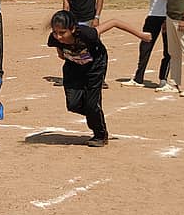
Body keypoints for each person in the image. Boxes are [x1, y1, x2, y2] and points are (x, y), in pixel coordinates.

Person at [47, 10, 151, 147]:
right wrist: (64, 53)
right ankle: (94, 111)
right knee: (73, 104)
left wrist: (141, 35)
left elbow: (114, 22)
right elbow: (60, 52)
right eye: (56, 32)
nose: (58, 36)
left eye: (62, 33)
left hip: (95, 66)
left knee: (91, 104)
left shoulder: (87, 33)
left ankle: (100, 135)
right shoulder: (54, 38)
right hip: (73, 68)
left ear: (72, 28)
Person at [121, 0, 176, 89]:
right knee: (145, 46)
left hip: (168, 15)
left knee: (168, 49)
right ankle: (138, 78)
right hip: (153, 14)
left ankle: (163, 80)